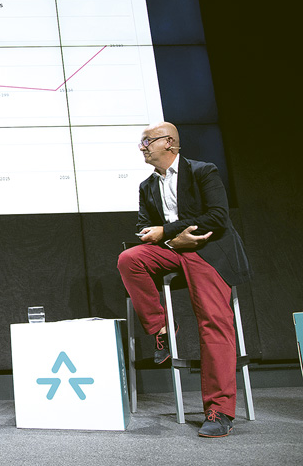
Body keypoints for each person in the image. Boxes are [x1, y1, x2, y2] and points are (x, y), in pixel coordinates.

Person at [117, 122, 251, 438]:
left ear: (169, 143)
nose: (142, 147)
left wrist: (170, 231)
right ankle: (162, 329)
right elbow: (144, 225)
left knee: (213, 322)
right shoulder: (147, 186)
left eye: (147, 141)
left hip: (208, 250)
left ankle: (219, 411)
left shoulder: (203, 171)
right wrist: (163, 237)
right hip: (173, 250)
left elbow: (218, 217)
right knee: (130, 259)